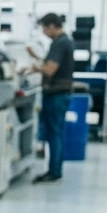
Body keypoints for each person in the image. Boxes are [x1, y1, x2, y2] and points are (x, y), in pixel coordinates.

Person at [26, 13, 75, 184]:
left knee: (54, 134)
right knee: (56, 133)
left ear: (52, 26)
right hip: (60, 94)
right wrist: (35, 58)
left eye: (44, 28)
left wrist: (36, 68)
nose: (44, 32)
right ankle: (55, 169)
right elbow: (51, 64)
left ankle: (54, 171)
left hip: (56, 95)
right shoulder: (64, 42)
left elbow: (49, 70)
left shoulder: (59, 43)